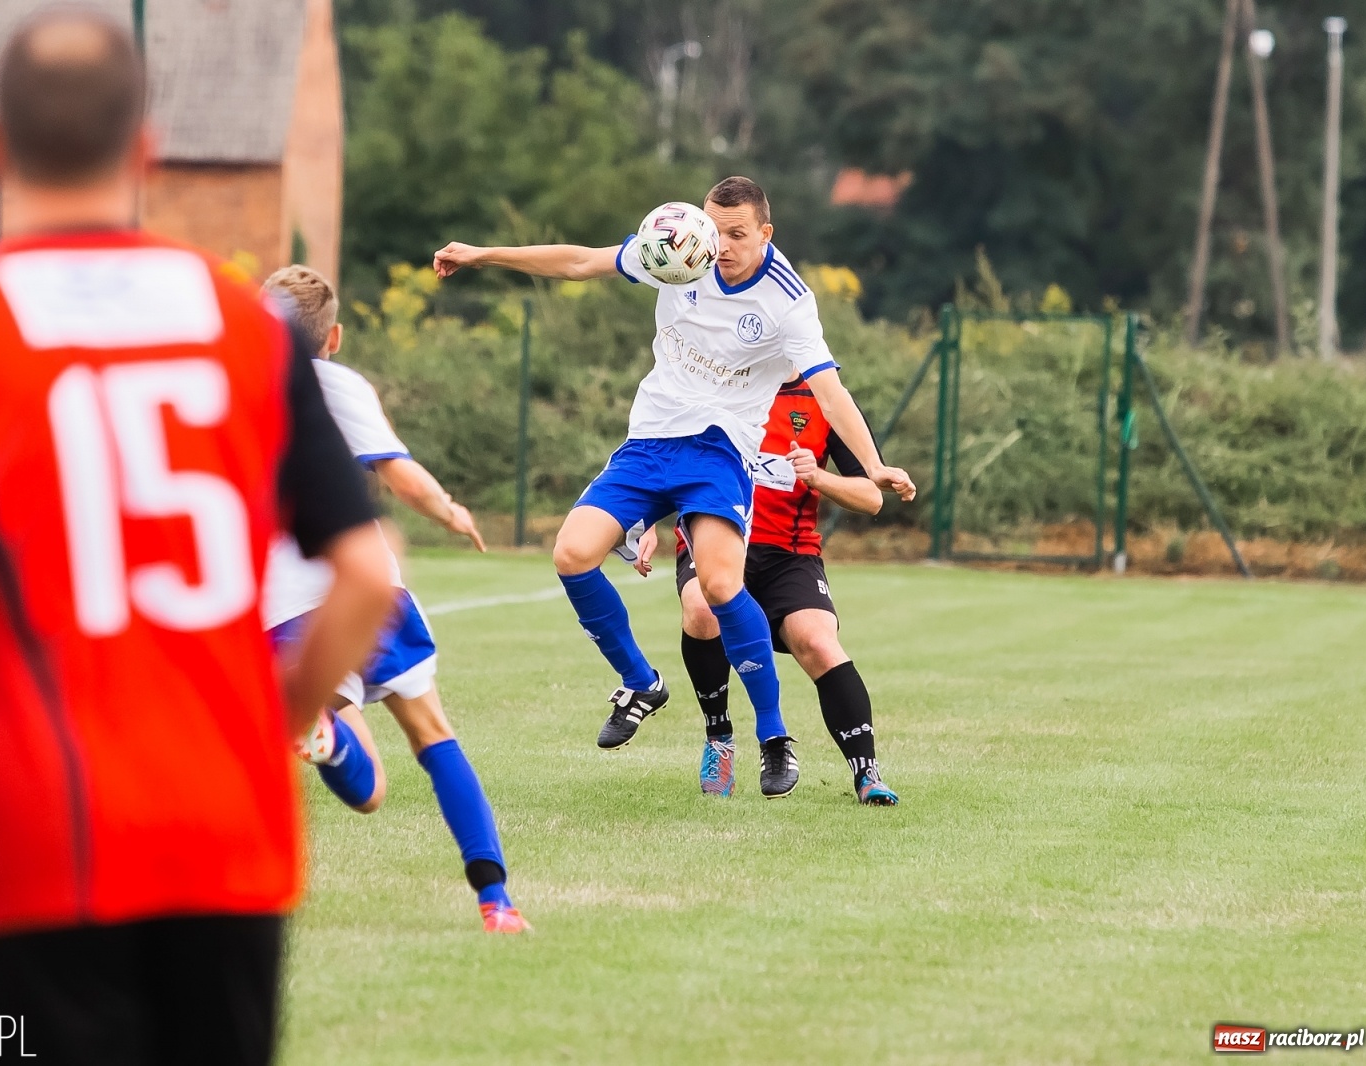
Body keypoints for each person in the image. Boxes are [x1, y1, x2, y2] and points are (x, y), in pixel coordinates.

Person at [0, 11, 394, 1065]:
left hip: (28, 827)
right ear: (145, 151)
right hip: (220, 826)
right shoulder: (244, 325)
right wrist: (282, 716)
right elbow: (363, 575)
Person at [434, 177, 915, 798]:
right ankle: (642, 682)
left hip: (718, 451)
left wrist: (873, 465)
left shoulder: (786, 299)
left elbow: (830, 389)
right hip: (651, 442)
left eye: (738, 235)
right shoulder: (680, 251)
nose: (721, 247)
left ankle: (773, 737)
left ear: (766, 234)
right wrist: (482, 254)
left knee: (717, 588)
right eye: (717, 231)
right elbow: (581, 261)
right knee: (571, 553)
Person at [259, 265, 529, 935]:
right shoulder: (335, 383)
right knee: (431, 736)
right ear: (334, 338)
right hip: (363, 586)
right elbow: (399, 473)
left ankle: (324, 734)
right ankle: (496, 902)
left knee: (366, 785)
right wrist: (449, 510)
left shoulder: (224, 384)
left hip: (276, 599)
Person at [631, 375, 901, 804]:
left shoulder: (826, 401)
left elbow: (872, 497)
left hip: (788, 555)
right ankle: (719, 738)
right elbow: (665, 459)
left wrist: (818, 478)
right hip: (716, 533)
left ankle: (867, 773)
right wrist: (643, 521)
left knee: (817, 640)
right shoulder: (715, 382)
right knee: (702, 608)